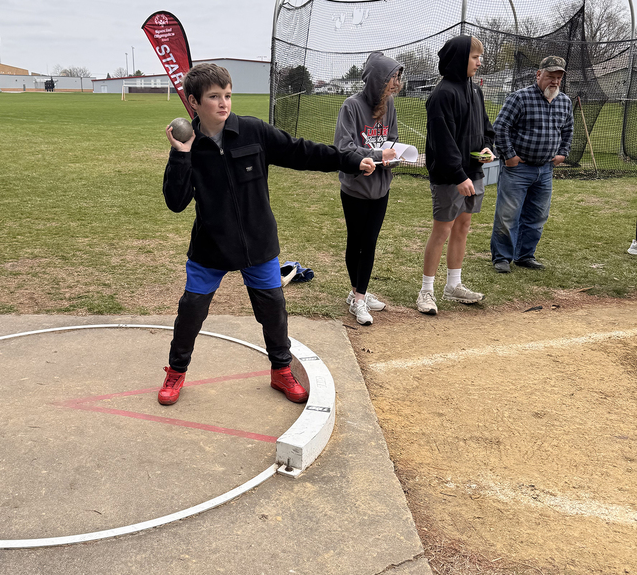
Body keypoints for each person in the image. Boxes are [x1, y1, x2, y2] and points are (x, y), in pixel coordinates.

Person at [159, 62, 376, 405]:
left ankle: (281, 370)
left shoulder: (252, 131)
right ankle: (176, 373)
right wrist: (180, 155)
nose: (223, 103)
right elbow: (175, 201)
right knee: (191, 312)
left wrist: (350, 160)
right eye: (214, 97)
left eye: (227, 95)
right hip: (210, 247)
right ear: (194, 102)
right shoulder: (190, 146)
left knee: (273, 311)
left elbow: (300, 151)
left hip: (258, 242)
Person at [416, 35, 495, 316]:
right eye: (475, 57)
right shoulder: (442, 94)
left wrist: (488, 147)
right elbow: (443, 141)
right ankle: (426, 290)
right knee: (443, 230)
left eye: (479, 57)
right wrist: (460, 176)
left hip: (473, 172)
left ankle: (454, 285)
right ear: (461, 58)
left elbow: (485, 127)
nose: (479, 62)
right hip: (451, 177)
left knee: (463, 228)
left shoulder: (475, 91)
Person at [334, 52, 403, 326]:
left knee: (370, 242)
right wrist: (377, 155)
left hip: (381, 187)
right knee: (357, 240)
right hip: (356, 188)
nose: (395, 84)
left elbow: (393, 139)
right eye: (391, 79)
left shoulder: (390, 104)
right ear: (377, 80)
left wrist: (395, 154)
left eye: (397, 78)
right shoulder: (351, 106)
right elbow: (344, 147)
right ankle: (359, 298)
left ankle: (358, 294)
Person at [489, 56, 574, 273]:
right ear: (538, 75)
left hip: (545, 170)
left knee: (537, 216)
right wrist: (509, 156)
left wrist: (563, 153)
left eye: (558, 78)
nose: (554, 81)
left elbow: (568, 130)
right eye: (550, 76)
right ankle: (502, 258)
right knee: (508, 215)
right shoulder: (519, 98)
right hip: (518, 168)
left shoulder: (564, 101)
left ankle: (525, 255)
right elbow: (500, 127)